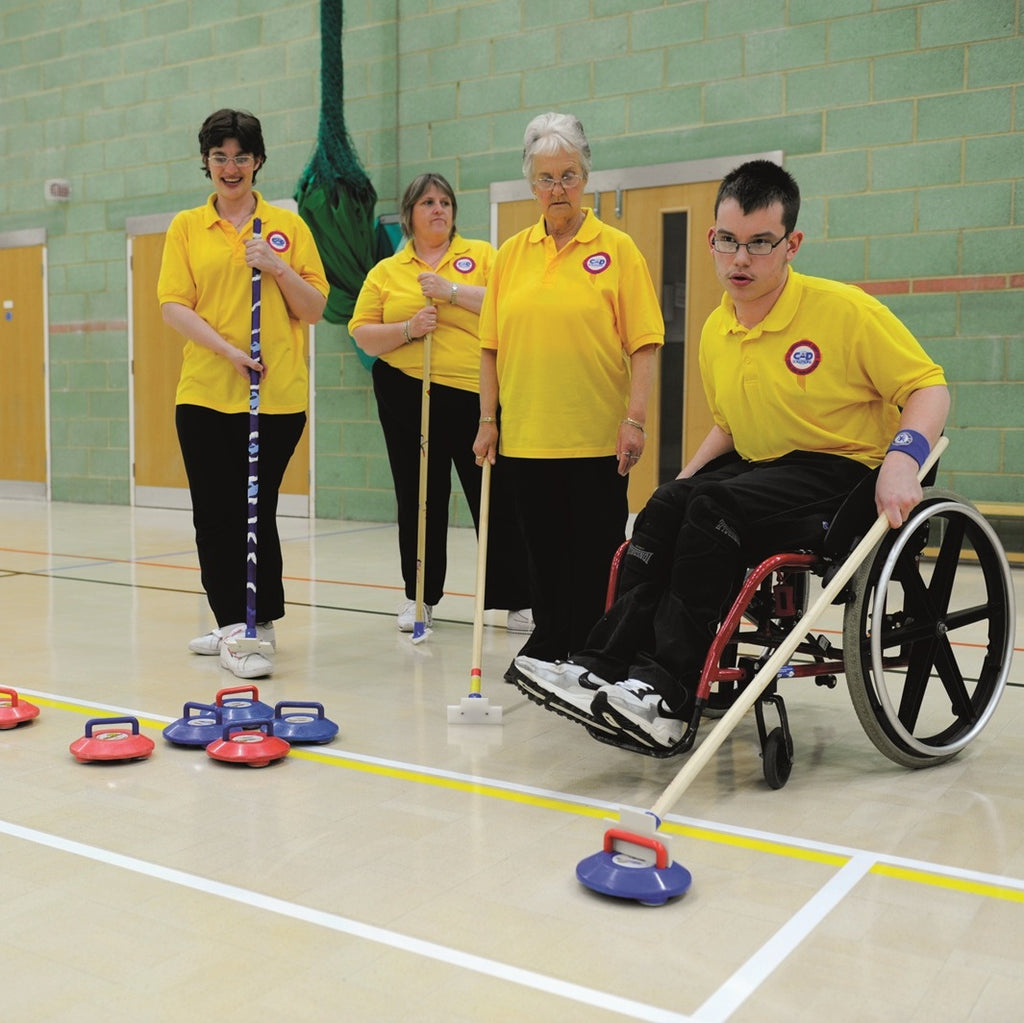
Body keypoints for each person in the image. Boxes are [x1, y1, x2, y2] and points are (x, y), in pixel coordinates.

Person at [512, 159, 950, 753]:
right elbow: (729, 425)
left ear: (791, 244)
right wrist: (681, 479)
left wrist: (904, 459)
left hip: (845, 472)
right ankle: (606, 665)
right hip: (768, 471)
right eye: (728, 241)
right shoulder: (719, 327)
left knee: (712, 506)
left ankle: (668, 693)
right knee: (670, 501)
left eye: (760, 243)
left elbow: (928, 387)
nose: (740, 259)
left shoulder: (845, 311)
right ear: (712, 239)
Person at [474, 112, 664, 668]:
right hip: (528, 434)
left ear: (586, 177)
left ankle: (591, 645)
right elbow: (489, 346)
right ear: (531, 184)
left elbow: (645, 343)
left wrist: (635, 419)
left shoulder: (619, 249)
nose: (558, 189)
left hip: (594, 434)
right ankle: (549, 637)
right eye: (546, 178)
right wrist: (489, 420)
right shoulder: (510, 254)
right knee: (541, 550)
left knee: (596, 552)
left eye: (569, 175)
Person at [158, 109, 329, 679]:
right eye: (219, 156)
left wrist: (278, 268)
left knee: (256, 509)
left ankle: (259, 619)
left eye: (241, 156)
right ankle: (233, 620)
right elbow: (174, 305)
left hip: (275, 397)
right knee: (214, 510)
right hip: (206, 391)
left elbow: (314, 309)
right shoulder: (186, 227)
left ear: (258, 161)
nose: (231, 167)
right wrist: (227, 351)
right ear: (206, 162)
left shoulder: (287, 226)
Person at [349, 173, 531, 632]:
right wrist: (409, 329)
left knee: (493, 495)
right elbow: (363, 333)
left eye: (446, 202)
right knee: (419, 495)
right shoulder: (388, 271)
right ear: (410, 212)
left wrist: (450, 292)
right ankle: (420, 597)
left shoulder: (482, 256)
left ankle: (516, 598)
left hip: (474, 393)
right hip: (407, 391)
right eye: (428, 202)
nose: (439, 209)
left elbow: (506, 305)